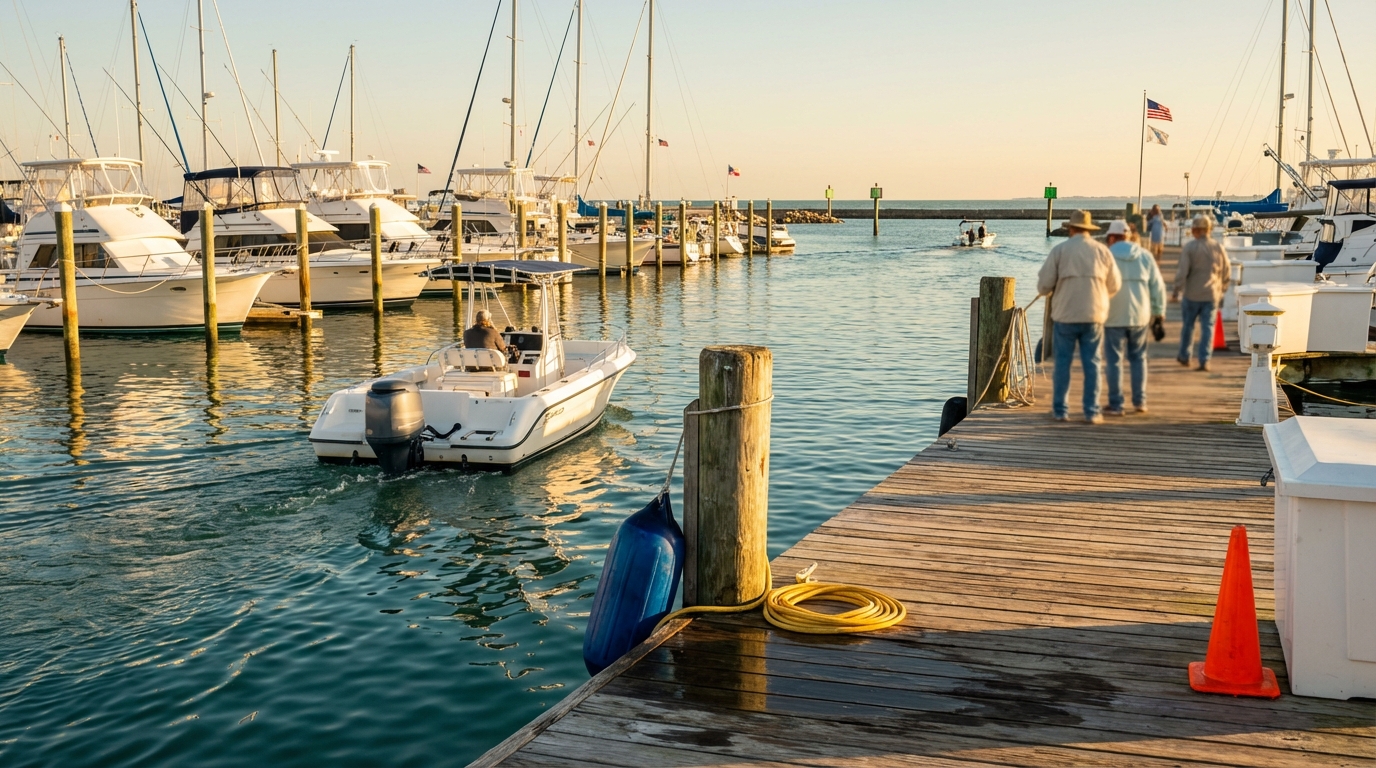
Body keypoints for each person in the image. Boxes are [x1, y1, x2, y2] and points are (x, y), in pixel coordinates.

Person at [1037, 210, 1122, 424]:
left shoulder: (1060, 251)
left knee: (1062, 363)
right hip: (1094, 315)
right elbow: (1115, 285)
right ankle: (1092, 411)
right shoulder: (1102, 251)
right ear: (1089, 230)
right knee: (1092, 363)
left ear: (1071, 229)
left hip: (1065, 315)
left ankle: (1060, 410)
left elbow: (1044, 285)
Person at [1103, 220, 1166, 415]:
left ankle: (1116, 404)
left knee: (1114, 360)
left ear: (1112, 237)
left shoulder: (1107, 256)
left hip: (1112, 315)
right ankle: (1140, 402)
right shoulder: (1145, 256)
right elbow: (1158, 288)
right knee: (1138, 358)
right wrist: (1159, 313)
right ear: (1128, 236)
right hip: (1140, 315)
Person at [1173, 215, 1231, 371]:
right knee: (1208, 328)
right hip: (1211, 295)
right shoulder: (1218, 248)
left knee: (1188, 327)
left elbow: (1182, 272)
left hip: (1191, 294)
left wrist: (1176, 290)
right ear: (1209, 230)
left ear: (1196, 230)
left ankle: (1185, 356)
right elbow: (1227, 271)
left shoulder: (1190, 248)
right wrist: (1222, 289)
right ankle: (1204, 360)